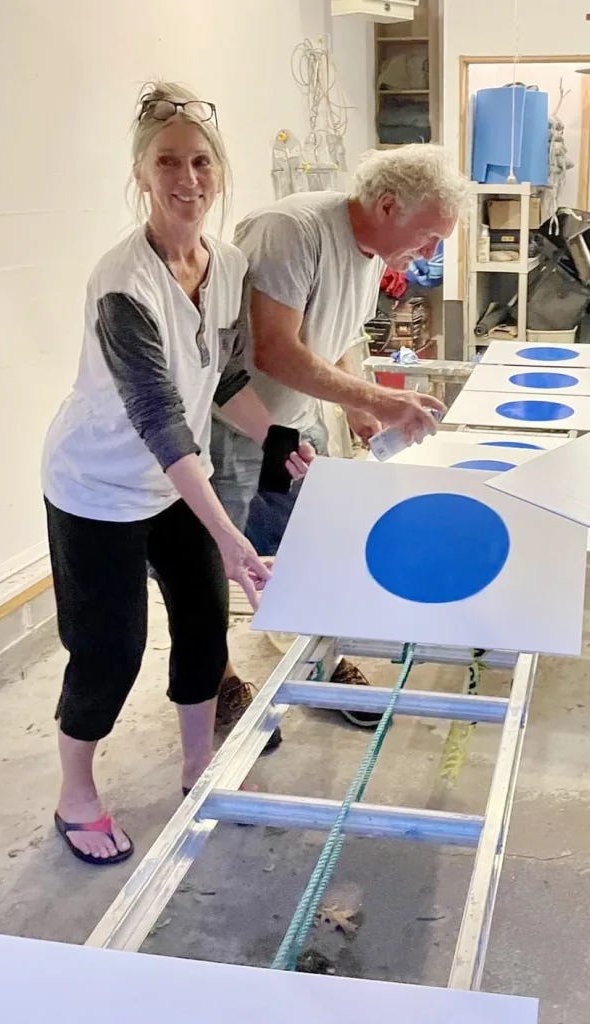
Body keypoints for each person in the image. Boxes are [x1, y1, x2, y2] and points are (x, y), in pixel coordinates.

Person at [41, 82, 314, 865]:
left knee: (202, 620)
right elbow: (160, 416)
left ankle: (200, 765)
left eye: (200, 162)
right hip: (96, 487)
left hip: (171, 481)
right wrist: (230, 534)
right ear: (141, 173)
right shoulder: (122, 283)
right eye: (168, 162)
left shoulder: (224, 265)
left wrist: (277, 438)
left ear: (219, 174)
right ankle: (76, 794)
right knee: (111, 647)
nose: (186, 178)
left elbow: (224, 382)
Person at [211, 144, 469, 732]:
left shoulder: (376, 249)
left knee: (311, 545)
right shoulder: (291, 232)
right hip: (229, 426)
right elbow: (274, 349)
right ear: (385, 205)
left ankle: (321, 665)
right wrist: (380, 399)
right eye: (430, 237)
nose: (431, 253)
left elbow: (342, 334)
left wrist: (356, 400)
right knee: (216, 564)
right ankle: (220, 680)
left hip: (291, 425)